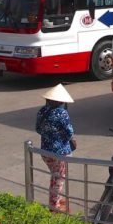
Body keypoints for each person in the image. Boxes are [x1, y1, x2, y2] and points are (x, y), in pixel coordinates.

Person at [35, 84, 77, 213]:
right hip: (59, 152)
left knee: (55, 176)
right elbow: (69, 132)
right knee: (59, 178)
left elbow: (38, 129)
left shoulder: (42, 111)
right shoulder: (62, 113)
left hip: (45, 150)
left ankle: (57, 200)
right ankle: (54, 205)